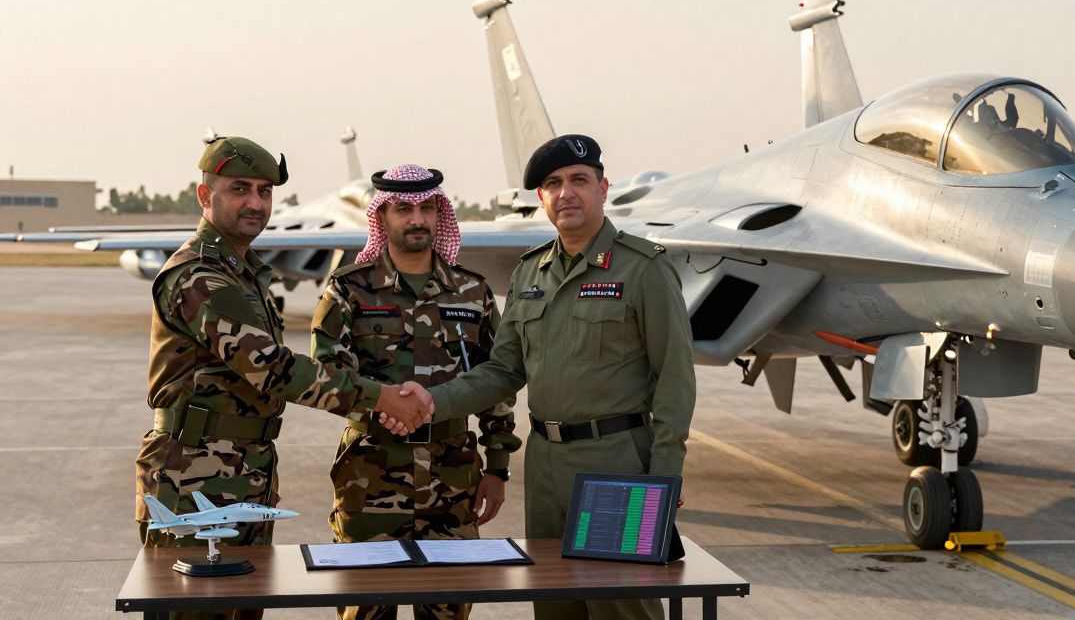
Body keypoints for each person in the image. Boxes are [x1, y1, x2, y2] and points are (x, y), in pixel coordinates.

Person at [385, 135, 697, 620]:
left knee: (621, 605)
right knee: (556, 602)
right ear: (541, 198)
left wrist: (664, 478)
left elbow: (676, 380)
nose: (566, 193)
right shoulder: (532, 272)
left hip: (615, 463)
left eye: (579, 180)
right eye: (553, 184)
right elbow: (503, 370)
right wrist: (433, 400)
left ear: (603, 188)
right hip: (546, 464)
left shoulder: (644, 269)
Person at [134, 137, 432, 620]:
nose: (255, 203)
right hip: (192, 478)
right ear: (205, 196)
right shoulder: (201, 277)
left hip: (242, 471)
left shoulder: (244, 273)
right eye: (240, 189)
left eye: (265, 191)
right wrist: (382, 398)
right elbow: (273, 369)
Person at [311, 164, 521, 620]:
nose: (417, 219)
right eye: (403, 209)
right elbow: (328, 374)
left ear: (440, 214)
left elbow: (498, 381)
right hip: (369, 479)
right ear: (381, 216)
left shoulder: (472, 291)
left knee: (449, 609)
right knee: (363, 610)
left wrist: (498, 469)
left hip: (454, 480)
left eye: (428, 208)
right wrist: (380, 405)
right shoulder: (348, 291)